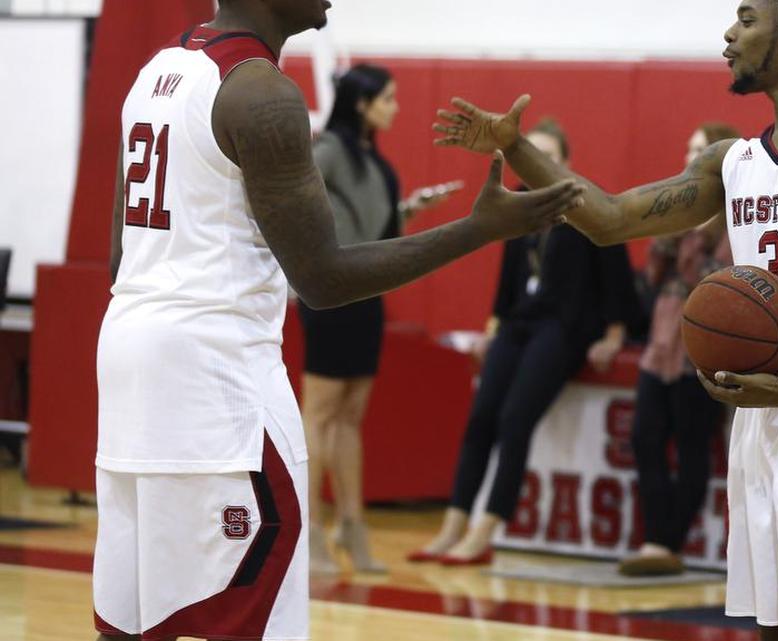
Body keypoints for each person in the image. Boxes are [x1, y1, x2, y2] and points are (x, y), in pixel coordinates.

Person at [92, 0, 585, 637]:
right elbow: (322, 279)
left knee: (137, 622)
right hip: (215, 382)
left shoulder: (155, 72)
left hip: (128, 366)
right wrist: (479, 229)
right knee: (250, 616)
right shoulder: (262, 93)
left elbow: (117, 259)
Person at [434, 0, 778, 635]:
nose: (729, 33)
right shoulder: (732, 161)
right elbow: (609, 219)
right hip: (763, 406)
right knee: (772, 623)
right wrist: (517, 148)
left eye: (747, 19)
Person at [408, 118, 637, 566]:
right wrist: (490, 332)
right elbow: (507, 285)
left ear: (566, 165)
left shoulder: (589, 207)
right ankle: (452, 524)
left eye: (548, 156)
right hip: (519, 323)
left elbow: (618, 282)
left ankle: (486, 529)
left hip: (565, 327)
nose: (538, 165)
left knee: (515, 419)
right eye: (532, 155)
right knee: (480, 419)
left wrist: (614, 334)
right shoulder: (516, 209)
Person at [300, 63, 458, 575]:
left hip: (368, 296)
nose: (395, 106)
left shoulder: (372, 158)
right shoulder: (327, 151)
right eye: (387, 98)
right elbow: (293, 207)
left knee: (351, 416)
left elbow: (373, 226)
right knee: (320, 412)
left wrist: (408, 212)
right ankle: (308, 529)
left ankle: (352, 522)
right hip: (330, 294)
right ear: (362, 103)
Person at [618, 122, 739, 577]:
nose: (691, 157)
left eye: (700, 149)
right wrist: (664, 237)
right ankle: (656, 539)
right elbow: (650, 278)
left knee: (691, 446)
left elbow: (715, 280)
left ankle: (667, 543)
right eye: (688, 147)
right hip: (661, 341)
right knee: (645, 438)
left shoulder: (732, 214)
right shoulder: (676, 208)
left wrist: (691, 238)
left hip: (702, 347)